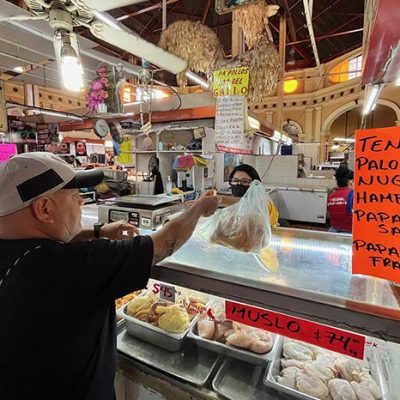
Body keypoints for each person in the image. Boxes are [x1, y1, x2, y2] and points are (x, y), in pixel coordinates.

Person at [0, 152, 218, 400]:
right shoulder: (70, 265)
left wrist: (98, 231)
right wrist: (199, 209)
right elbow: (164, 242)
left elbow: (44, 238)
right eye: (74, 196)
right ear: (44, 208)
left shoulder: (19, 251)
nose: (81, 202)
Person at [327, 166, 354, 233]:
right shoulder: (353, 195)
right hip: (350, 232)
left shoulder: (331, 196)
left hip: (333, 231)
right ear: (351, 181)